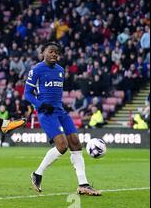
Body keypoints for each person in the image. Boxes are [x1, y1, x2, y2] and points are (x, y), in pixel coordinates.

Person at [25, 42, 101, 196]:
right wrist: (41, 105)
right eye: (51, 51)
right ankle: (37, 174)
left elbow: (55, 92)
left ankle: (83, 185)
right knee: (62, 146)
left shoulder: (60, 70)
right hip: (46, 113)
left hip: (60, 111)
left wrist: (61, 105)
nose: (54, 54)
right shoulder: (37, 70)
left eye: (56, 52)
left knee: (75, 143)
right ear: (44, 53)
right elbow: (27, 93)